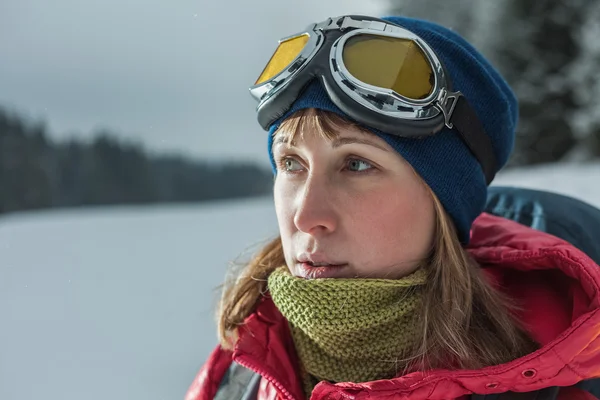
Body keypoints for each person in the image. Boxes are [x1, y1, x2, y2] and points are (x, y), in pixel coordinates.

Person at [185, 14, 600, 400]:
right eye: (291, 164)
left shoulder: (561, 378)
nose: (305, 217)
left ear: (442, 203)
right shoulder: (241, 367)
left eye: (357, 164)